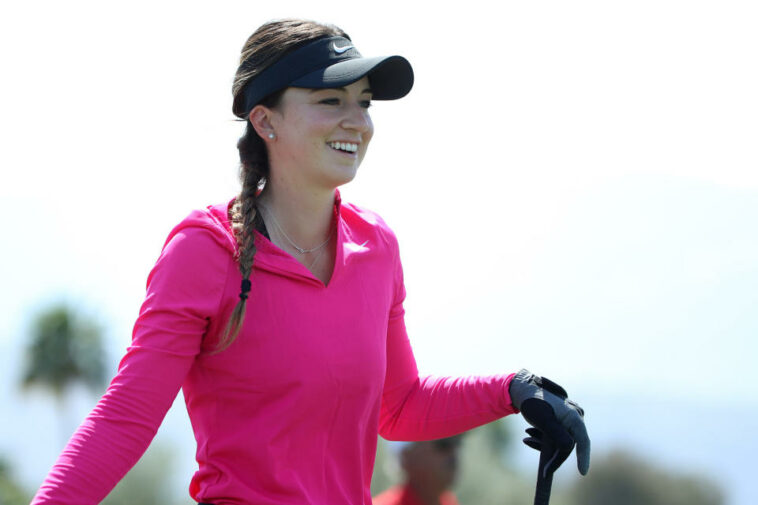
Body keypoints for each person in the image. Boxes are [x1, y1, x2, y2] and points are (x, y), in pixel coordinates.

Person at [31, 18, 590, 505]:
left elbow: (398, 405)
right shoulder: (204, 251)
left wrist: (515, 390)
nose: (358, 122)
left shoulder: (377, 247)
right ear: (266, 121)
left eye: (364, 102)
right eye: (331, 101)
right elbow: (126, 419)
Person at [373, 437, 463, 505]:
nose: (453, 453)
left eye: (457, 443)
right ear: (406, 456)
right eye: (443, 444)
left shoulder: (449, 501)